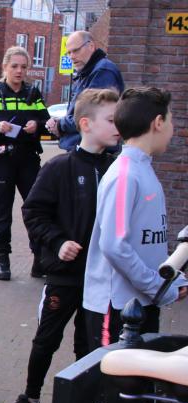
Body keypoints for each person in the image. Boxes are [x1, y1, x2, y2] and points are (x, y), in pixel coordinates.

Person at [0, 89, 120, 403]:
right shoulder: (59, 167)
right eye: (111, 120)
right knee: (46, 340)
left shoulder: (116, 169)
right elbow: (34, 212)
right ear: (86, 124)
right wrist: (58, 241)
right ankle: (30, 397)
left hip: (101, 280)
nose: (118, 126)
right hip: (64, 276)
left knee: (91, 344)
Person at [83, 87, 187, 351]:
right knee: (110, 387)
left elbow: (147, 243)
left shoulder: (143, 170)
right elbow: (114, 246)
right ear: (158, 123)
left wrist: (169, 282)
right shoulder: (126, 174)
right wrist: (157, 287)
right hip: (117, 307)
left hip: (142, 302)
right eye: (171, 121)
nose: (173, 129)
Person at [0, 46, 50, 281]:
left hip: (28, 159)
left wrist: (38, 124)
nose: (19, 71)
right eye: (14, 66)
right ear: (5, 67)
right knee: (3, 211)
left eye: (24, 67)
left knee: (36, 210)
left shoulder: (32, 94)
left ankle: (40, 258)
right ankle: (2, 259)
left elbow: (46, 121)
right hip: (2, 160)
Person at [46, 31, 124, 151]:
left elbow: (91, 115)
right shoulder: (89, 72)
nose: (72, 56)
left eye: (76, 50)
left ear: (91, 46)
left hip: (93, 152)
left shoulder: (102, 71)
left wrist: (60, 125)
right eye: (69, 53)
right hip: (85, 150)